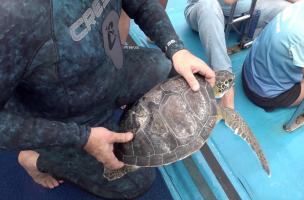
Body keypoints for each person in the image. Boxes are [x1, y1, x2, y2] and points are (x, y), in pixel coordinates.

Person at [0, 0, 215, 199]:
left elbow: (140, 3)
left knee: (172, 69)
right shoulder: (12, 17)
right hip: (68, 116)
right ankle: (37, 158)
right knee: (137, 181)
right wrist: (82, 138)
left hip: (111, 70)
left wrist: (176, 49)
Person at [184, 0, 252, 109]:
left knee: (285, 11)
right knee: (208, 5)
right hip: (205, 11)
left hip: (246, 13)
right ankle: (226, 88)